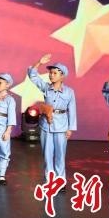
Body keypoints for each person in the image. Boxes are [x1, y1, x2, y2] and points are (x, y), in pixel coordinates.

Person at [28, 53, 77, 184]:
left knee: (60, 154)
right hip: (46, 125)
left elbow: (72, 110)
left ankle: (60, 180)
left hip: (61, 125)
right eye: (50, 73)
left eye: (55, 73)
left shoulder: (69, 92)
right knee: (47, 155)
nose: (51, 75)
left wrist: (70, 128)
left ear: (62, 75)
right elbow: (32, 76)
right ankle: (49, 180)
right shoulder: (46, 88)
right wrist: (39, 62)